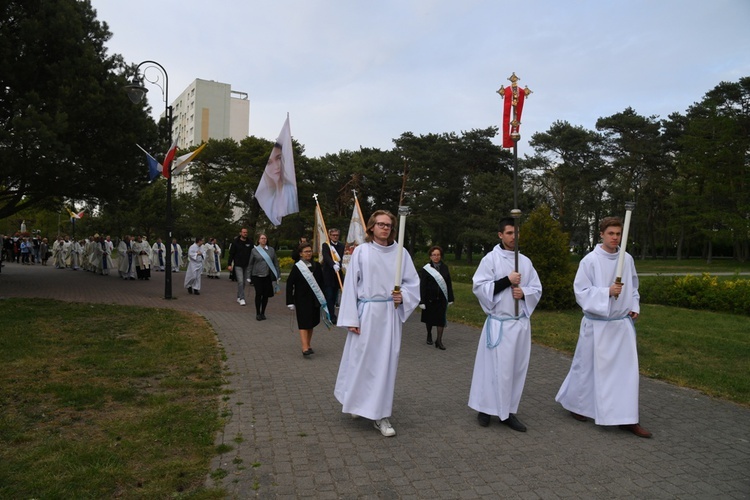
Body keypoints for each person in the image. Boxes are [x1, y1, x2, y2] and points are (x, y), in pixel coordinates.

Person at [555, 216, 652, 438]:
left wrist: (634, 304)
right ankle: (576, 405)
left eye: (618, 234)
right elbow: (581, 292)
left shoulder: (626, 259)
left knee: (626, 373)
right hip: (597, 325)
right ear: (601, 234)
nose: (615, 238)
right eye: (611, 234)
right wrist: (606, 292)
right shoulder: (590, 261)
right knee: (585, 368)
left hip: (620, 326)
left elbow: (634, 287)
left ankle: (627, 418)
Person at [334, 210, 420, 437]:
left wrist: (404, 297)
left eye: (389, 225)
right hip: (366, 313)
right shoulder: (362, 251)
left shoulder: (400, 253)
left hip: (389, 315)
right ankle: (356, 402)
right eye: (380, 224)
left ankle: (381, 415)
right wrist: (351, 318)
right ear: (371, 227)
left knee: (385, 364)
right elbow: (351, 284)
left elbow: (413, 284)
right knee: (361, 362)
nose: (385, 228)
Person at [469, 217, 542, 432]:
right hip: (498, 325)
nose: (514, 237)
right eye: (509, 233)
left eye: (516, 233)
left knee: (514, 370)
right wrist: (507, 281)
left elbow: (536, 288)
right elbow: (480, 287)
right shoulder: (490, 260)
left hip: (518, 325)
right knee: (492, 369)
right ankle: (485, 408)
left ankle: (507, 411)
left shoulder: (525, 262)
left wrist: (524, 292)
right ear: (500, 235)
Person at [286, 242, 328, 356]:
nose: (308, 253)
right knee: (304, 322)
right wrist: (289, 301)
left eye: (310, 251)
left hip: (314, 299)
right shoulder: (297, 267)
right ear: (301, 254)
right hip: (301, 299)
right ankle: (304, 347)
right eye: (306, 252)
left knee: (311, 322)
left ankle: (308, 344)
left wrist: (324, 297)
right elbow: (290, 284)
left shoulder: (317, 266)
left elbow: (321, 283)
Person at [418, 245, 455, 350]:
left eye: (438, 255)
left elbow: (448, 284)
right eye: (434, 255)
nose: (436, 257)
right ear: (430, 256)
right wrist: (422, 300)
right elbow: (423, 285)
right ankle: (429, 334)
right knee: (429, 319)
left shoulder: (445, 267)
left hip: (441, 298)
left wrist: (451, 298)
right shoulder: (426, 269)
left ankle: (439, 340)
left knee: (441, 320)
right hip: (429, 299)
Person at [247, 233, 281, 321]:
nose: (263, 240)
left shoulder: (271, 250)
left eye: (265, 238)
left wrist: (278, 274)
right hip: (257, 275)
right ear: (258, 240)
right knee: (259, 293)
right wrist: (248, 275)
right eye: (262, 238)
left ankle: (263, 313)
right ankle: (258, 313)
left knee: (265, 295)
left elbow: (275, 263)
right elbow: (250, 264)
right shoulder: (254, 250)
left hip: (267, 276)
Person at [321, 228, 345, 323]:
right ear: (330, 236)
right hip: (329, 274)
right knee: (329, 295)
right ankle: (331, 316)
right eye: (333, 235)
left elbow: (343, 257)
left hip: (338, 274)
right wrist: (332, 264)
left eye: (337, 235)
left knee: (335, 296)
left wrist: (340, 264)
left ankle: (333, 312)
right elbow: (326, 256)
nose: (335, 237)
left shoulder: (341, 246)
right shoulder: (326, 245)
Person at [227, 228, 254, 306]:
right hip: (238, 265)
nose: (245, 233)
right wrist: (229, 264)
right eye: (243, 232)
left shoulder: (250, 242)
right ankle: (242, 298)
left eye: (246, 232)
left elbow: (253, 253)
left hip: (247, 265)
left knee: (244, 282)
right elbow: (231, 254)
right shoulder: (235, 242)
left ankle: (239, 296)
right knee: (240, 281)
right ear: (240, 233)